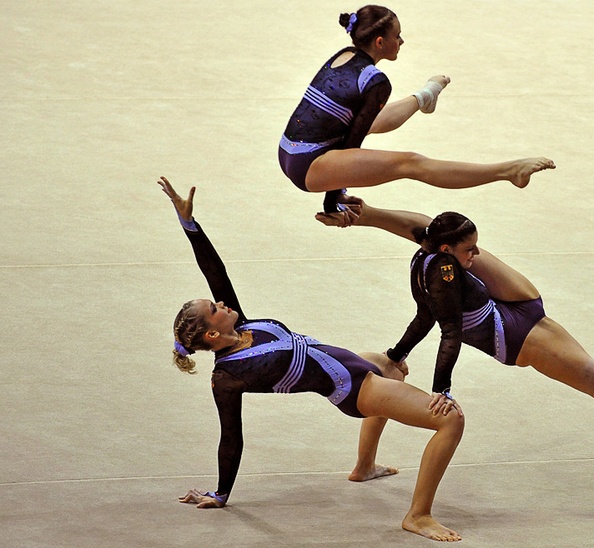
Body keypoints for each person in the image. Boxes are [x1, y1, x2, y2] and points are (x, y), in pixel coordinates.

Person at [157, 177, 465, 542]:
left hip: (357, 364)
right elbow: (231, 436)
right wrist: (221, 493)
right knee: (451, 420)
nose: (221, 303)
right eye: (214, 308)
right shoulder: (228, 376)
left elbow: (215, 270)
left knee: (393, 368)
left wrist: (189, 223)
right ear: (211, 334)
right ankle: (418, 515)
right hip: (354, 388)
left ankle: (364, 467)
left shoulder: (242, 326)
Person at [346, 202, 594, 474]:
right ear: (447, 253)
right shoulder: (442, 277)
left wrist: (396, 353)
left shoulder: (432, 254)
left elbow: (427, 300)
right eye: (469, 250)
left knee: (438, 228)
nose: (476, 253)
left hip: (510, 302)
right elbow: (448, 331)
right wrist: (440, 390)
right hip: (521, 336)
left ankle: (363, 212)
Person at [278, 4, 556, 225]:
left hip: (288, 152)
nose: (402, 40)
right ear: (379, 42)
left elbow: (356, 126)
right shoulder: (376, 82)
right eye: (397, 35)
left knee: (363, 121)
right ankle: (508, 171)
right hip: (310, 165)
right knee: (410, 163)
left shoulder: (343, 55)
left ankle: (425, 96)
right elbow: (352, 144)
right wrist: (333, 200)